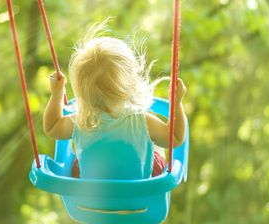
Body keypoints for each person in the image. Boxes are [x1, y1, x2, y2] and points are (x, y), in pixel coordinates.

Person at [43, 26, 187, 179]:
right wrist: (176, 103)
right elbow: (175, 138)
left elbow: (52, 127)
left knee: (79, 161)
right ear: (130, 83)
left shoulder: (79, 121)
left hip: (91, 199)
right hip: (139, 197)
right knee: (156, 148)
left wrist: (57, 95)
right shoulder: (141, 121)